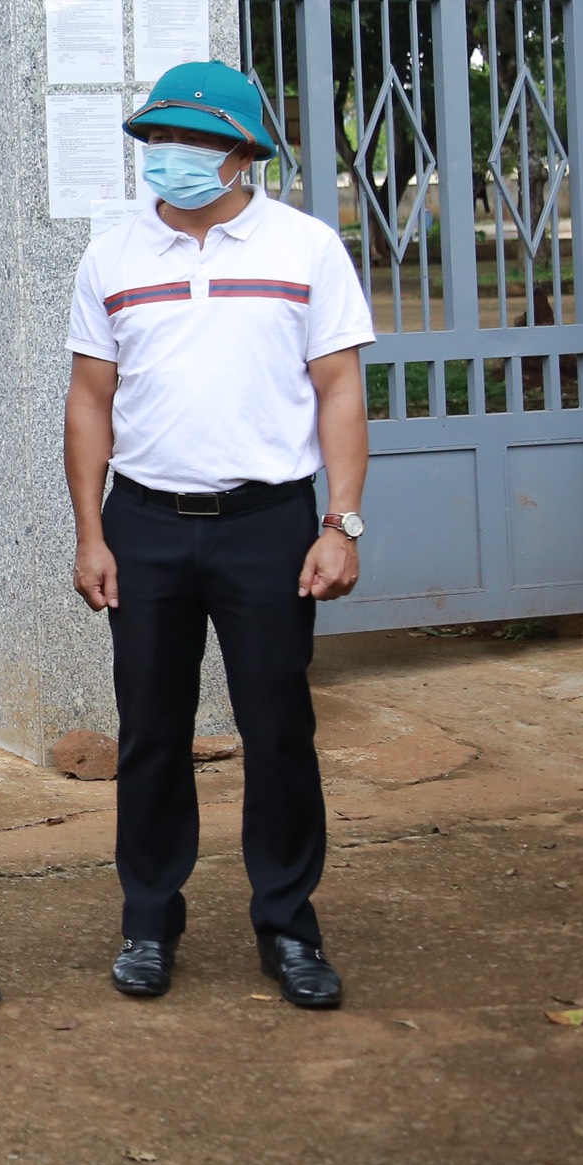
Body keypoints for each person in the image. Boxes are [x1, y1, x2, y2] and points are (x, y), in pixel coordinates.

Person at [65, 59, 373, 1010]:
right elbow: (89, 400)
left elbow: (339, 390)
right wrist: (90, 533)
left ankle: (289, 926)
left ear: (246, 153)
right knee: (150, 732)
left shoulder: (306, 248)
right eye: (160, 137)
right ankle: (148, 921)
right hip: (145, 523)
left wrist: (341, 522)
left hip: (268, 524)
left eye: (196, 140)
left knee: (278, 729)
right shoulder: (112, 257)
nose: (174, 154)